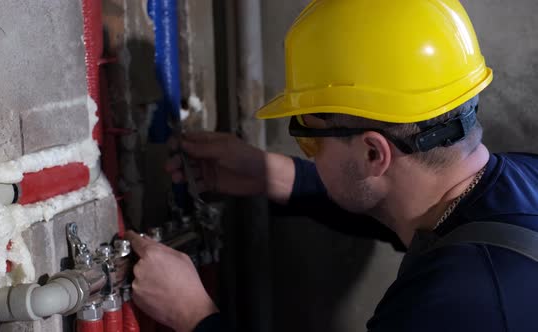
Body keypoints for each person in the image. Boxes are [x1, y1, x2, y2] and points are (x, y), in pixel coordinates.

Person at [125, 0, 538, 331]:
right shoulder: (520, 184)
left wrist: (196, 316)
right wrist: (269, 174)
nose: (307, 152)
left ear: (375, 154)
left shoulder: (445, 308)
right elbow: (408, 210)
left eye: (307, 139)